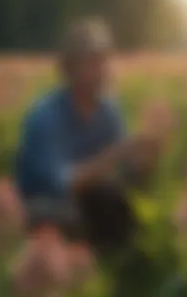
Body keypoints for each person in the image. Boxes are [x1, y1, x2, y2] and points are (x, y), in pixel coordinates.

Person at [15, 18, 165, 256]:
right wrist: (118, 152)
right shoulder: (45, 115)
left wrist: (144, 159)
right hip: (44, 201)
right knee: (67, 218)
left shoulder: (108, 109)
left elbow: (124, 172)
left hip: (88, 196)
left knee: (132, 205)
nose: (103, 69)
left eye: (105, 60)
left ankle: (112, 269)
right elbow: (64, 184)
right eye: (93, 62)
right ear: (70, 68)